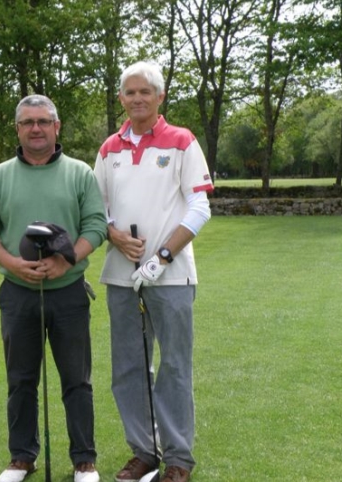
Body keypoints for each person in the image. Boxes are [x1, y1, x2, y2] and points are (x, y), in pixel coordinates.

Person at [0, 94, 108, 482]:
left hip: (68, 291)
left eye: (44, 121)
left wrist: (66, 259)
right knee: (21, 381)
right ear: (17, 128)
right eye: (28, 122)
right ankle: (22, 458)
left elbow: (95, 226)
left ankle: (84, 460)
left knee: (77, 380)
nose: (36, 128)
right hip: (17, 292)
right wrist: (13, 262)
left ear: (56, 127)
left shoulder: (80, 173)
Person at [93, 61, 213, 482]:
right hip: (121, 277)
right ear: (121, 99)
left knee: (174, 366)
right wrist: (115, 237)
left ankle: (178, 459)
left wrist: (161, 256)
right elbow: (97, 211)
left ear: (160, 97)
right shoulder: (109, 148)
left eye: (146, 92)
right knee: (128, 367)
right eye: (130, 92)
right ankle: (144, 452)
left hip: (172, 274)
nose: (138, 98)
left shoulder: (182, 141)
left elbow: (200, 206)